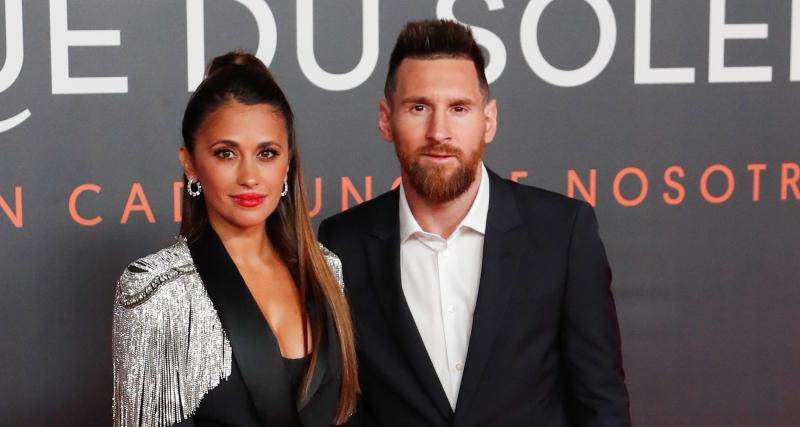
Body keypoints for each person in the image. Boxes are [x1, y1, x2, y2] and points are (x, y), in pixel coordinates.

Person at [317, 20, 630, 426]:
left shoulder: (562, 233)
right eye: (419, 108)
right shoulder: (342, 243)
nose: (439, 132)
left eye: (459, 108)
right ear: (385, 120)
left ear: (489, 119)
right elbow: (343, 406)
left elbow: (601, 402)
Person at [112, 52, 358, 427]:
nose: (249, 177)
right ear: (190, 163)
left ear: (288, 163)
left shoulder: (327, 270)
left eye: (267, 153)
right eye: (226, 153)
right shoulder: (157, 290)